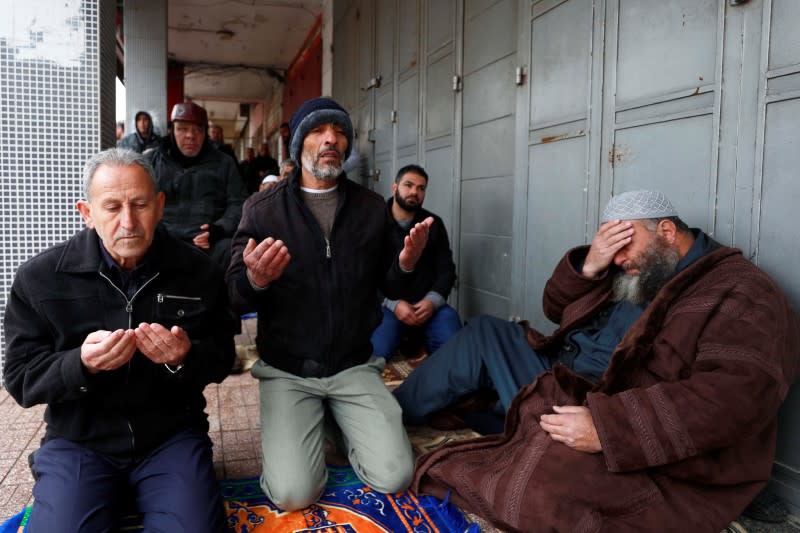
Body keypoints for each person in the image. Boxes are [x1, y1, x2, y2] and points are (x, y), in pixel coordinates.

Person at [401, 190, 800, 532]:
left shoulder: (741, 289)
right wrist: (590, 264)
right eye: (611, 245)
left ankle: (522, 426)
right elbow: (554, 307)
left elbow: (734, 398)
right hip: (558, 371)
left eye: (626, 243)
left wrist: (609, 428)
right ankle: (390, 414)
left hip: (609, 403)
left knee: (546, 488)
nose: (619, 258)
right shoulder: (633, 270)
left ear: (666, 231)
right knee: (484, 332)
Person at [2, 148, 237, 532]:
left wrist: (184, 357)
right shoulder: (40, 279)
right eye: (112, 207)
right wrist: (80, 364)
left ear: (160, 206)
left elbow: (223, 356)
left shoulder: (198, 271)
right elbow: (20, 377)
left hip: (170, 436)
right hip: (79, 441)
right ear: (87, 212)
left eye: (140, 204)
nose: (128, 222)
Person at [226, 97, 433, 512]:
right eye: (320, 131)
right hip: (289, 369)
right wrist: (255, 279)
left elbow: (387, 282)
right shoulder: (263, 210)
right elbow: (233, 293)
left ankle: (336, 420)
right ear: (299, 142)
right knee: (292, 493)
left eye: (339, 132)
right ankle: (309, 420)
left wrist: (406, 265)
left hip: (354, 364)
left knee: (395, 475)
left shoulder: (372, 208)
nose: (331, 139)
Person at [371, 164, 461, 358]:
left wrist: (433, 301)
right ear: (395, 187)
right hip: (386, 306)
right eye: (408, 185)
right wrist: (392, 304)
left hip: (426, 304)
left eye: (421, 188)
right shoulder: (373, 221)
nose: (414, 192)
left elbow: (446, 269)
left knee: (453, 349)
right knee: (377, 353)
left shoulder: (432, 223)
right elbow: (361, 274)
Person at [148, 102, 247, 268]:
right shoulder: (151, 162)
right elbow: (136, 202)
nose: (190, 136)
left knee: (238, 253)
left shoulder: (224, 163)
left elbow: (238, 203)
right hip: (160, 240)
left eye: (197, 130)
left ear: (205, 134)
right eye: (183, 129)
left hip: (208, 243)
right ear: (172, 130)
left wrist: (219, 230)